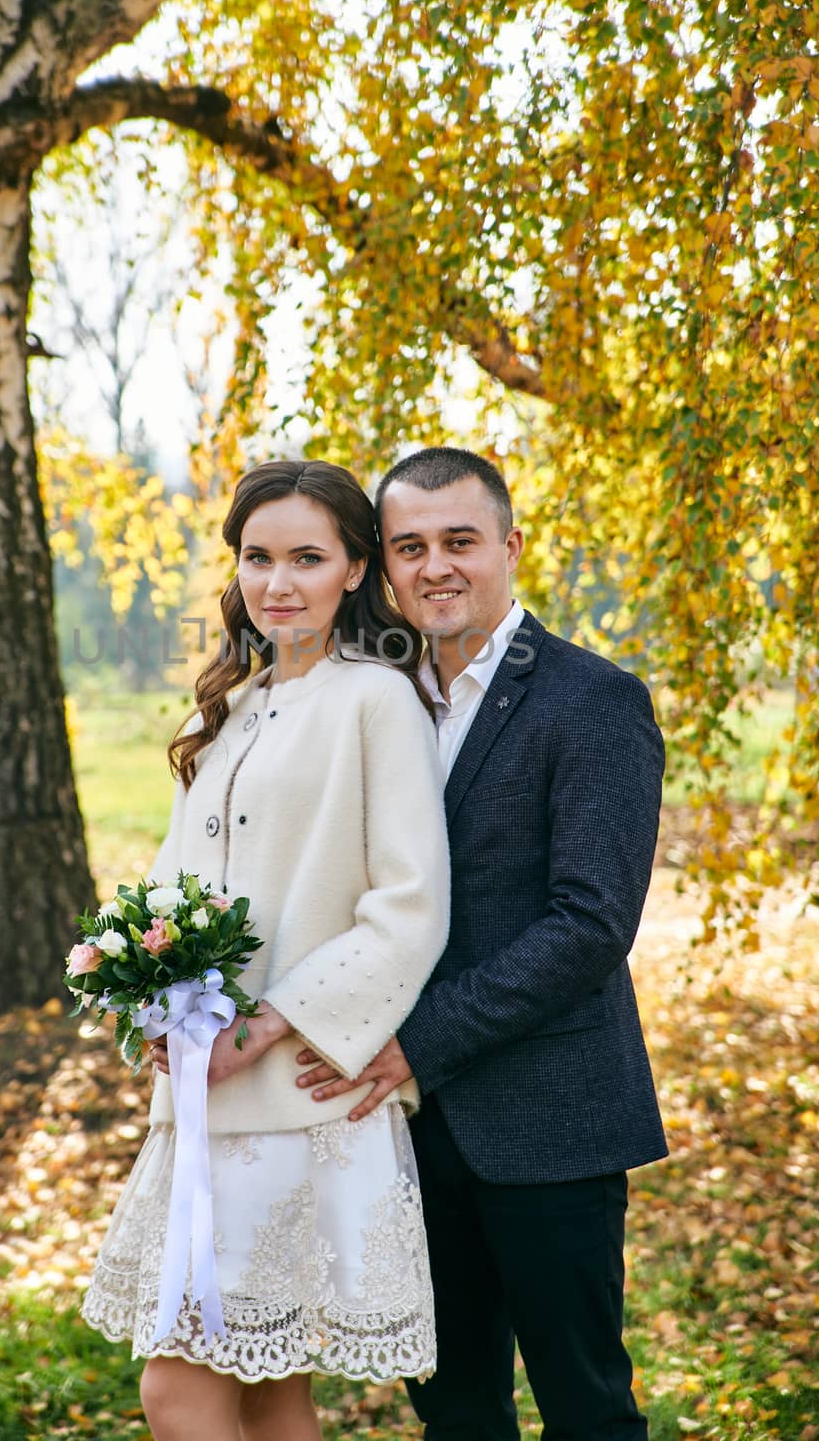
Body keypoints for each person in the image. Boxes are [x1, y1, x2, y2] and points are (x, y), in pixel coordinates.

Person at [297, 446, 668, 1440]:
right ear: (385, 566)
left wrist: (421, 1039)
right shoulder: (373, 699)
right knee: (455, 1410)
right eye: (409, 546)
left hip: (551, 1120)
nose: (435, 566)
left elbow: (590, 922)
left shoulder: (593, 702)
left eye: (459, 540)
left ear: (509, 545)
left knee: (587, 1408)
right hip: (405, 1136)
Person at [82, 459, 451, 1441]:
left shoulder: (377, 701)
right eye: (257, 557)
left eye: (307, 558)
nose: (277, 582)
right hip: (204, 1098)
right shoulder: (226, 711)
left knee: (178, 1387)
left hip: (295, 1095)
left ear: (354, 570)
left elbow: (408, 904)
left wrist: (270, 1020)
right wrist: (147, 1002)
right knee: (270, 1388)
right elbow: (169, 898)